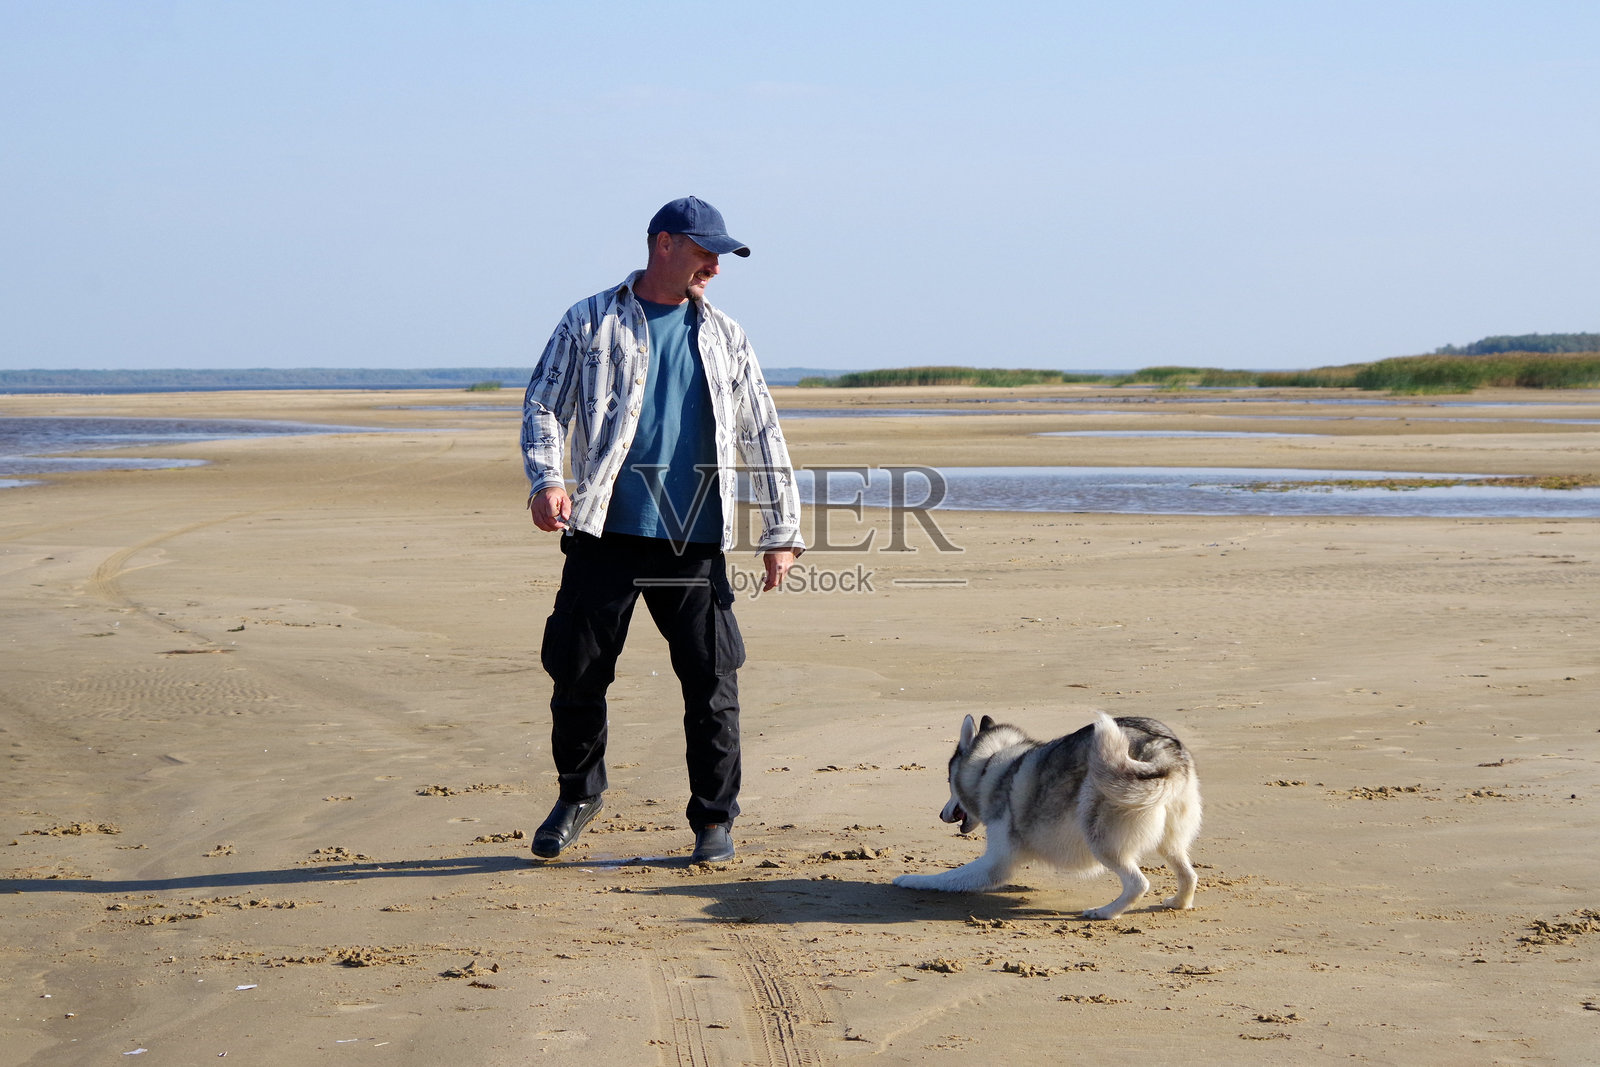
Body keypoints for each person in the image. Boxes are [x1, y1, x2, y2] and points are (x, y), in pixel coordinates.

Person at [521, 196, 803, 865]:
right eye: (707, 252)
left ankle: (713, 819)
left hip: (696, 538)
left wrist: (781, 527)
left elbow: (762, 429)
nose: (716, 266)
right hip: (606, 530)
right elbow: (542, 402)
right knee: (578, 669)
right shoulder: (590, 320)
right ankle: (578, 793)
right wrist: (547, 478)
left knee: (712, 681)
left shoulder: (726, 335)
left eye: (722, 255)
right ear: (664, 244)